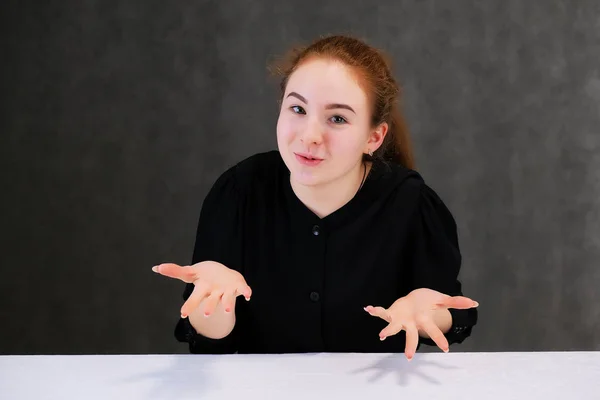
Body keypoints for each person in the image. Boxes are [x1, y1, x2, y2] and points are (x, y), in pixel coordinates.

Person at [152, 34, 479, 360]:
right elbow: (211, 343)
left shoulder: (411, 203)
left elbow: (450, 313)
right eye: (297, 109)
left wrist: (425, 310)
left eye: (337, 118)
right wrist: (213, 298)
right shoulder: (239, 192)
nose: (310, 136)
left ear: (374, 136)